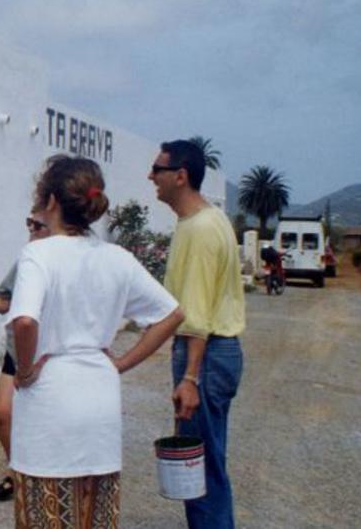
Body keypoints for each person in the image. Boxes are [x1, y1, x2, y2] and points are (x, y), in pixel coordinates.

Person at [5, 155, 184, 529]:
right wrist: (119, 363)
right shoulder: (117, 258)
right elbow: (172, 315)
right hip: (99, 406)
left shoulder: (38, 254)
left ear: (51, 201)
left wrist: (23, 372)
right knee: (94, 517)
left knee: (45, 515)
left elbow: (24, 321)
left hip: (50, 407)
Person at [149, 140, 246, 528]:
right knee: (208, 465)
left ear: (180, 176)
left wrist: (190, 377)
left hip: (204, 354)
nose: (150, 176)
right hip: (216, 353)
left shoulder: (202, 229)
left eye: (157, 169)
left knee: (198, 470)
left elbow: (199, 313)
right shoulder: (207, 219)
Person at [0, 206, 52, 502]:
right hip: (17, 350)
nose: (31, 229)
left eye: (38, 225)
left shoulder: (65, 261)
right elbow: (6, 303)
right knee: (3, 414)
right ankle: (18, 472)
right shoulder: (25, 261)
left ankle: (42, 474)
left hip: (49, 354)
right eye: (29, 223)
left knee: (44, 418)